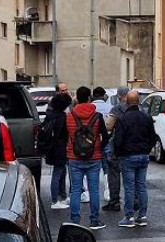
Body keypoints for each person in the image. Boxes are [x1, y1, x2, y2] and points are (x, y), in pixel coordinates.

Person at [65, 86, 109, 230]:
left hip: (74, 157)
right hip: (94, 157)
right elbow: (106, 136)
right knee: (94, 189)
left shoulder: (70, 116)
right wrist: (99, 148)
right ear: (89, 98)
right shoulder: (97, 116)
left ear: (77, 98)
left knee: (76, 190)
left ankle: (75, 220)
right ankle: (94, 220)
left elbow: (63, 136)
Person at [114, 90, 156, 228]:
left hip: (128, 157)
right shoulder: (146, 117)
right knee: (142, 186)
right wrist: (146, 150)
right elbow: (152, 137)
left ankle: (129, 217)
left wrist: (118, 153)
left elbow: (118, 140)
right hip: (143, 156)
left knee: (129, 188)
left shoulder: (123, 118)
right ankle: (142, 216)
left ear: (127, 102)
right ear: (138, 102)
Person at [102, 86, 129, 212]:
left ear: (119, 96)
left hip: (117, 148)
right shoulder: (139, 108)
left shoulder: (116, 109)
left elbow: (108, 126)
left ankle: (114, 202)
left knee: (114, 175)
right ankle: (134, 201)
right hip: (134, 148)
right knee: (132, 177)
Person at [44, 92, 73, 210]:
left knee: (61, 172)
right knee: (58, 173)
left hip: (52, 147)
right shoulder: (62, 117)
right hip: (60, 147)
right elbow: (65, 134)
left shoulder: (50, 115)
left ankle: (62, 196)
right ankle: (55, 200)